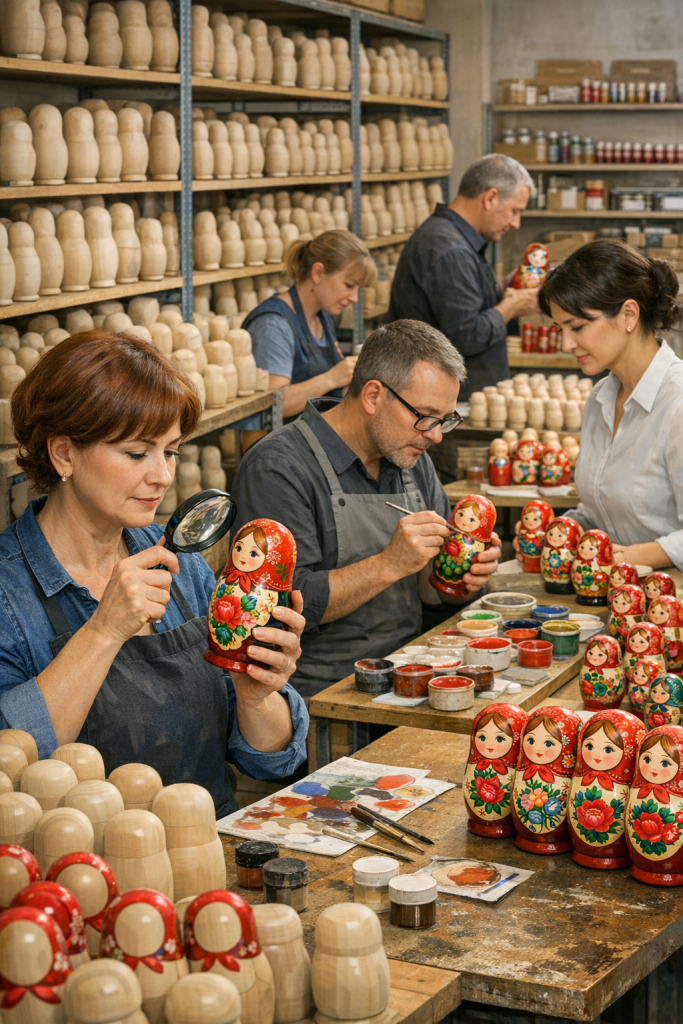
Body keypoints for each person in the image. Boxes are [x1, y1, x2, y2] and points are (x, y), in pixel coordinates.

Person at [0, 332, 308, 817]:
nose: (163, 475)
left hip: (206, 847)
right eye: (137, 453)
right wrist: (103, 630)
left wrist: (256, 694)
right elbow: (10, 763)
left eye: (171, 451)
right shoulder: (8, 592)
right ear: (63, 453)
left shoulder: (181, 565)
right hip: (87, 873)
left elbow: (270, 760)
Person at [230, 319, 502, 699]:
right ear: (373, 395)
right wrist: (390, 563)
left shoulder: (410, 456)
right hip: (321, 697)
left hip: (409, 677)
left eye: (445, 420)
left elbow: (431, 590)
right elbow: (279, 605)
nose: (436, 434)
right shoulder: (278, 467)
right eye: (425, 416)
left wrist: (461, 577)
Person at [513, 238, 683, 571]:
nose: (566, 343)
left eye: (577, 327)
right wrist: (559, 531)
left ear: (628, 315)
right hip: (614, 596)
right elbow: (600, 511)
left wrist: (621, 556)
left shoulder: (677, 405)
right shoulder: (601, 398)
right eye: (560, 328)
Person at [388, 154, 540, 396]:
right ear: (490, 198)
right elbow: (467, 335)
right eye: (514, 211)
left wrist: (501, 291)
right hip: (446, 405)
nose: (516, 223)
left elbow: (463, 309)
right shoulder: (450, 250)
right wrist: (511, 307)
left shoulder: (454, 240)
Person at [236, 229, 376, 449]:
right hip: (280, 456)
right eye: (349, 285)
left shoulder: (323, 317)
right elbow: (273, 405)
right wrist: (331, 378)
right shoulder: (273, 325)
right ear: (318, 273)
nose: (354, 298)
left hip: (315, 447)